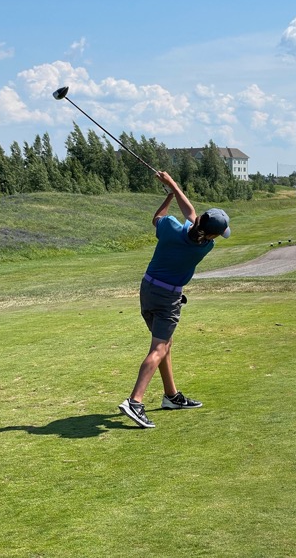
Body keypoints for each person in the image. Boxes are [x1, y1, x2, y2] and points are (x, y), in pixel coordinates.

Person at [118, 170, 231, 428]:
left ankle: (171, 396)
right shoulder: (206, 245)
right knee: (159, 348)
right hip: (168, 298)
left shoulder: (169, 227)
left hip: (147, 289)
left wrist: (171, 191)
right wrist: (173, 187)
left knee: (164, 344)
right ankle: (135, 401)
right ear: (212, 234)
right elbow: (191, 214)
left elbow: (159, 218)